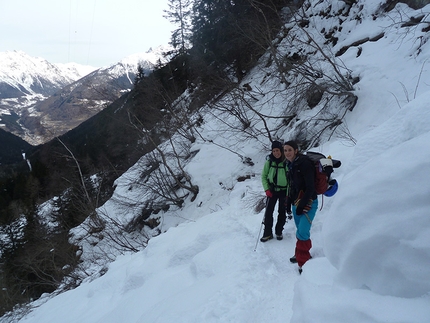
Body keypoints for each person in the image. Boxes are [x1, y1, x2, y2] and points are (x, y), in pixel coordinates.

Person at [284, 140, 317, 274]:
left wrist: (302, 204)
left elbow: (310, 187)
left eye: (289, 150)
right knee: (300, 231)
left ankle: (303, 262)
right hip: (296, 202)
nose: (287, 153)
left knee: (303, 231)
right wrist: (288, 202)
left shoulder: (304, 164)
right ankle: (300, 253)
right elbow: (292, 186)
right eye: (285, 150)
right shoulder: (291, 164)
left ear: (296, 150)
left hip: (309, 202)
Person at [260, 140, 288, 242]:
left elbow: (290, 179)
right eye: (274, 151)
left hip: (284, 191)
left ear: (281, 150)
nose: (276, 153)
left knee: (282, 212)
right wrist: (266, 189)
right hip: (272, 190)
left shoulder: (286, 162)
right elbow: (263, 176)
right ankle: (267, 233)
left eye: (278, 150)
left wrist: (289, 193)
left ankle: (279, 231)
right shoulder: (269, 162)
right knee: (268, 212)